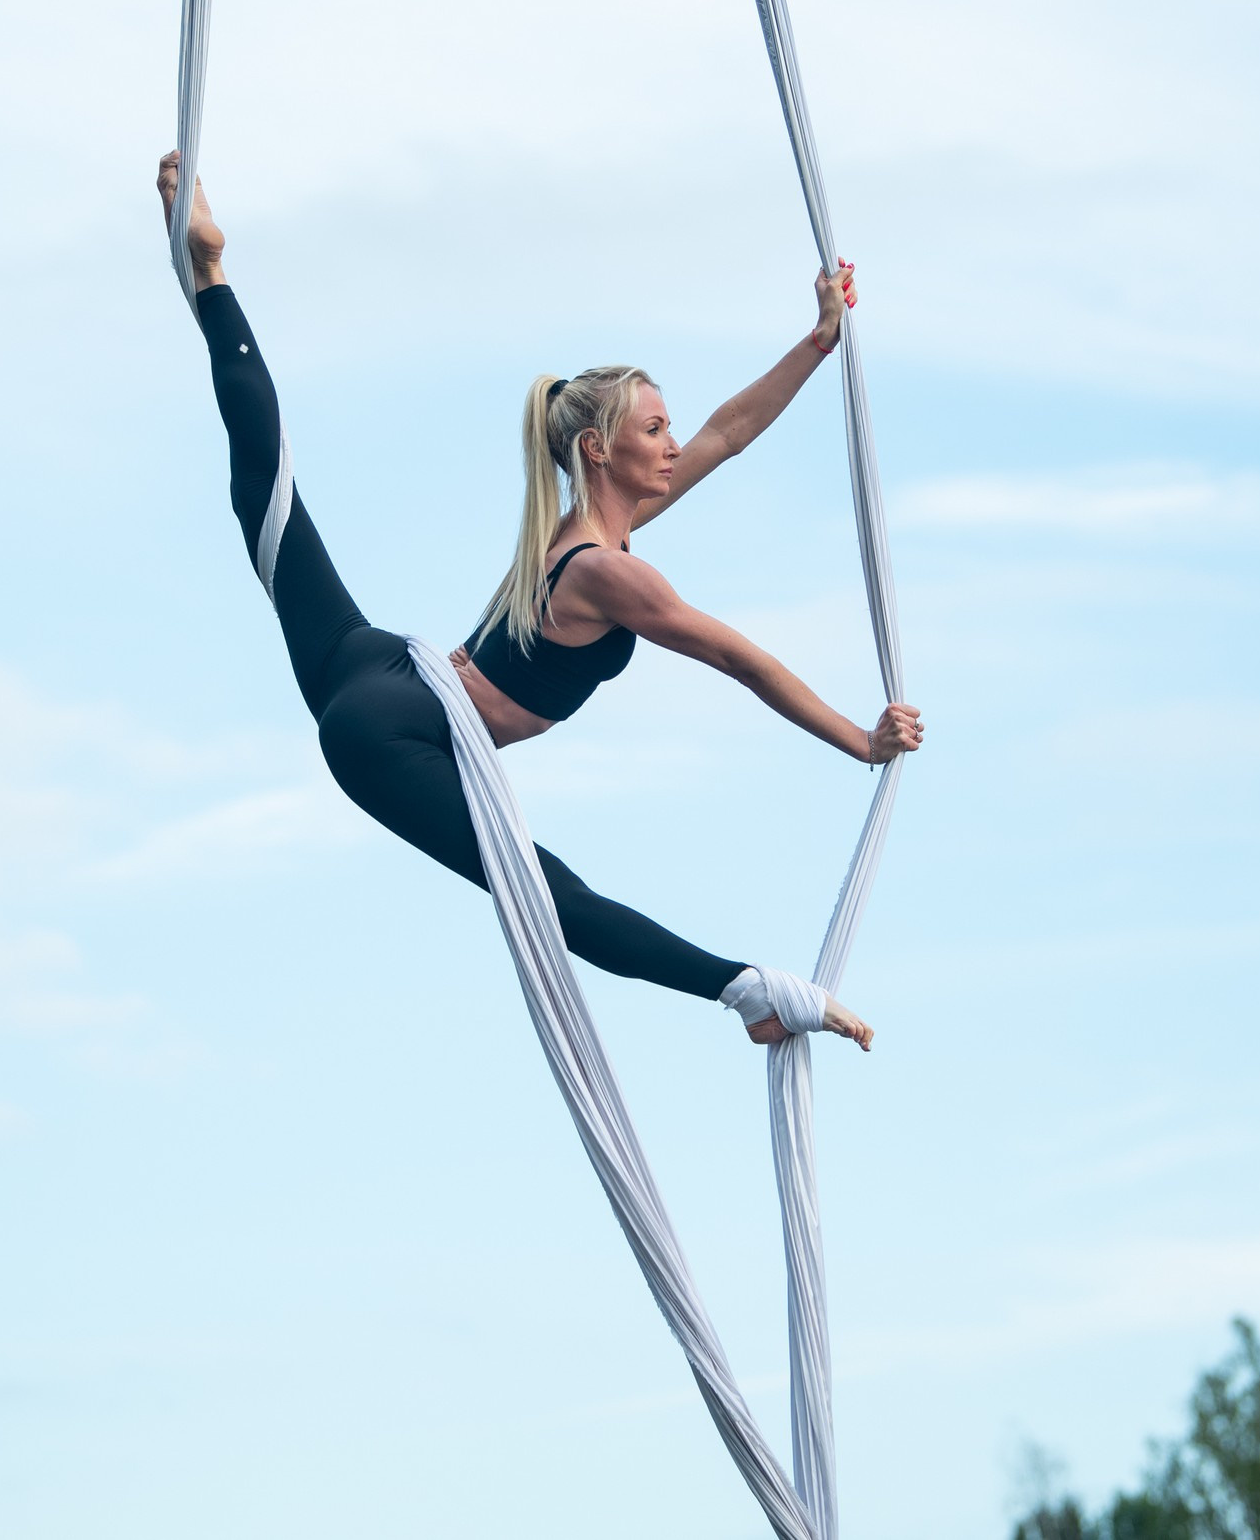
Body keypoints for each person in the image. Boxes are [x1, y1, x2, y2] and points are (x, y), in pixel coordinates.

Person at [159, 153, 920, 1047]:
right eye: (654, 429)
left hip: (371, 662)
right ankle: (747, 990)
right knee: (552, 896)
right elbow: (739, 659)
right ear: (599, 450)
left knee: (271, 500)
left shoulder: (579, 540)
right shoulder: (606, 573)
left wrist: (819, 341)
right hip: (397, 732)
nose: (674, 443)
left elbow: (729, 432)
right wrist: (859, 740)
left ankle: (210, 275)